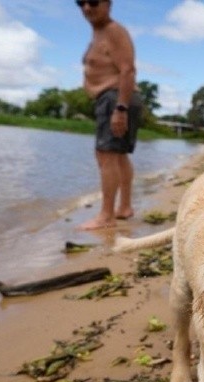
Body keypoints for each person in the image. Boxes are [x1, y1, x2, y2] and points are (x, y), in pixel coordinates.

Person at [77, 0, 141, 230]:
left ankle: (106, 216)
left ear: (108, 3)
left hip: (116, 98)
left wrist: (120, 108)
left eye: (93, 1)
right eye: (80, 3)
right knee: (119, 155)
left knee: (105, 155)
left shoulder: (114, 31)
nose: (86, 7)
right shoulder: (99, 33)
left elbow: (127, 69)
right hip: (113, 98)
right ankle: (123, 208)